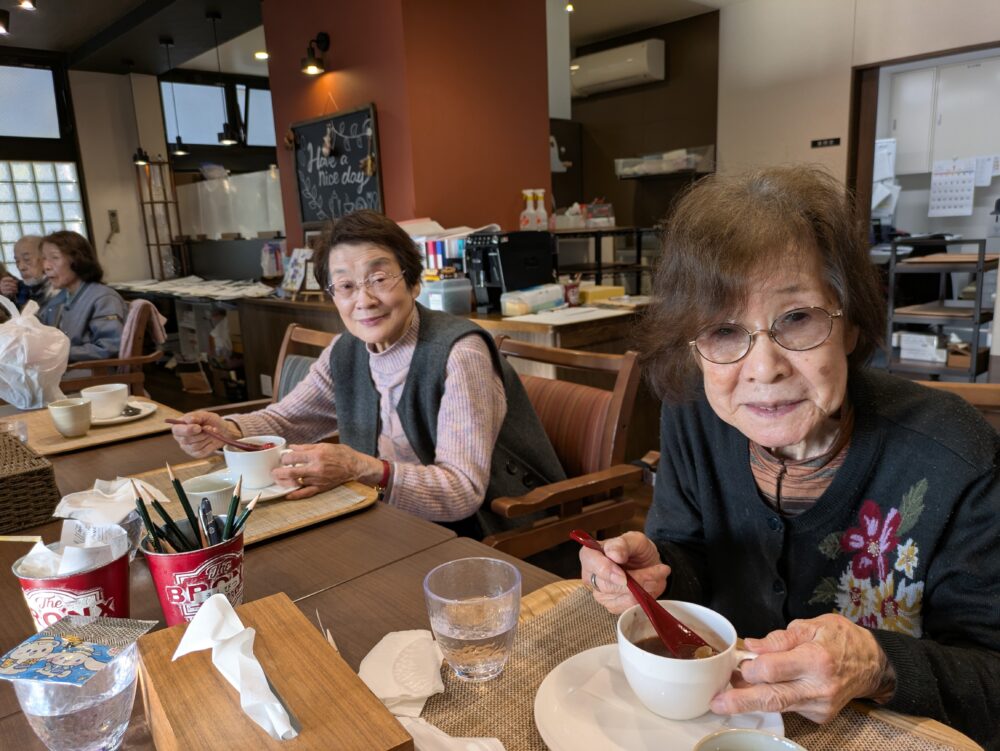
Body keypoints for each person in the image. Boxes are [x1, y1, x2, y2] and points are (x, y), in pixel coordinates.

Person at [579, 166, 1000, 749]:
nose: (762, 368)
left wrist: (879, 666)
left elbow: (992, 676)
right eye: (724, 331)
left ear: (849, 323)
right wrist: (660, 567)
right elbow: (692, 551)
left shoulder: (955, 454)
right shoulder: (693, 414)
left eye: (796, 318)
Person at [170, 210, 564, 535]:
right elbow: (288, 419)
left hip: (489, 534)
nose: (364, 300)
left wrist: (362, 468)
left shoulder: (460, 354)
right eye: (345, 285)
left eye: (378, 278)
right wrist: (228, 431)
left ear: (413, 283)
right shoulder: (347, 351)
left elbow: (461, 491)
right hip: (392, 521)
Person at [38, 231, 127, 363]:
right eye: (44, 258)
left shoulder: (104, 298)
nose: (46, 266)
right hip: (60, 370)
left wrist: (57, 354)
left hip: (90, 374)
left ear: (78, 260)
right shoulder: (60, 297)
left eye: (55, 258)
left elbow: (109, 347)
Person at [0, 235, 53, 309]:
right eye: (17, 261)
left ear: (45, 258)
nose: (21, 267)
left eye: (27, 259)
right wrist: (7, 297)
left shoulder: (59, 288)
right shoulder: (20, 289)